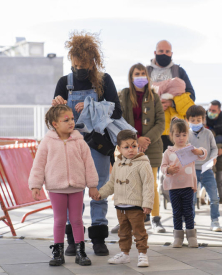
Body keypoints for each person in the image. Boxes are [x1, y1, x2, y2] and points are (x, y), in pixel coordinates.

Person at [52, 31, 122, 256]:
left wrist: (91, 106)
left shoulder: (104, 81)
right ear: (71, 60)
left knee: (99, 187)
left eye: (85, 63)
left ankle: (99, 238)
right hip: (71, 145)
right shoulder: (64, 82)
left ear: (93, 61)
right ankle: (73, 239)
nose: (80, 67)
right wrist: (57, 106)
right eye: (76, 63)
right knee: (73, 189)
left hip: (96, 143)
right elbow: (54, 121)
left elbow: (117, 111)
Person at [29, 105, 98, 266]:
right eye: (66, 120)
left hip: (77, 187)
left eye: (72, 119)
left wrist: (92, 185)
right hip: (55, 188)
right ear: (55, 124)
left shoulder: (80, 141)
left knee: (77, 219)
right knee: (59, 220)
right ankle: (57, 252)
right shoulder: (47, 142)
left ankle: (81, 252)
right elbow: (38, 165)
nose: (71, 122)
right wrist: (35, 185)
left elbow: (89, 164)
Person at [114, 63, 165, 233]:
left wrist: (146, 140)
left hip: (152, 146)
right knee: (128, 184)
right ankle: (126, 219)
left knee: (152, 185)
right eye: (137, 73)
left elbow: (161, 122)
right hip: (130, 147)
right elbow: (120, 119)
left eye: (143, 73)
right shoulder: (125, 94)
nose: (141, 76)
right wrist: (136, 140)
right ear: (131, 76)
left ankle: (156, 219)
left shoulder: (154, 96)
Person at [95, 130, 154, 267]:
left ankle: (142, 254)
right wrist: (101, 193)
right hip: (121, 206)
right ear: (119, 148)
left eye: (134, 146)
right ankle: (125, 254)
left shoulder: (143, 163)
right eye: (126, 147)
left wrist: (147, 203)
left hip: (136, 206)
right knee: (123, 232)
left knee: (139, 232)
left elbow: (148, 185)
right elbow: (112, 183)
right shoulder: (118, 163)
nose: (131, 150)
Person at [161, 119, 206, 248]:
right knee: (176, 212)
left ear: (188, 135)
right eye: (177, 135)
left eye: (184, 135)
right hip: (174, 187)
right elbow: (163, 167)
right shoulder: (168, 152)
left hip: (188, 186)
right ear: (171, 135)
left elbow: (203, 154)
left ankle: (192, 236)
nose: (181, 138)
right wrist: (169, 169)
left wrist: (199, 151)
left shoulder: (190, 150)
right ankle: (178, 237)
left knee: (188, 211)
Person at [146, 40, 196, 151]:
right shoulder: (145, 72)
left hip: (175, 129)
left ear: (171, 54)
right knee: (152, 164)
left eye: (167, 51)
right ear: (155, 52)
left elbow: (191, 96)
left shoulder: (179, 71)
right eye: (161, 51)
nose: (164, 54)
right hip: (152, 127)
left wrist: (173, 103)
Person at [186, 105, 222, 232]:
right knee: (191, 198)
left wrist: (213, 157)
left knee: (214, 197)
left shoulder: (208, 133)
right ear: (187, 120)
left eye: (198, 120)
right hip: (191, 170)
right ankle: (191, 221)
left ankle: (215, 221)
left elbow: (214, 148)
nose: (196, 123)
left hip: (207, 169)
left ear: (203, 120)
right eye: (193, 120)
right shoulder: (185, 134)